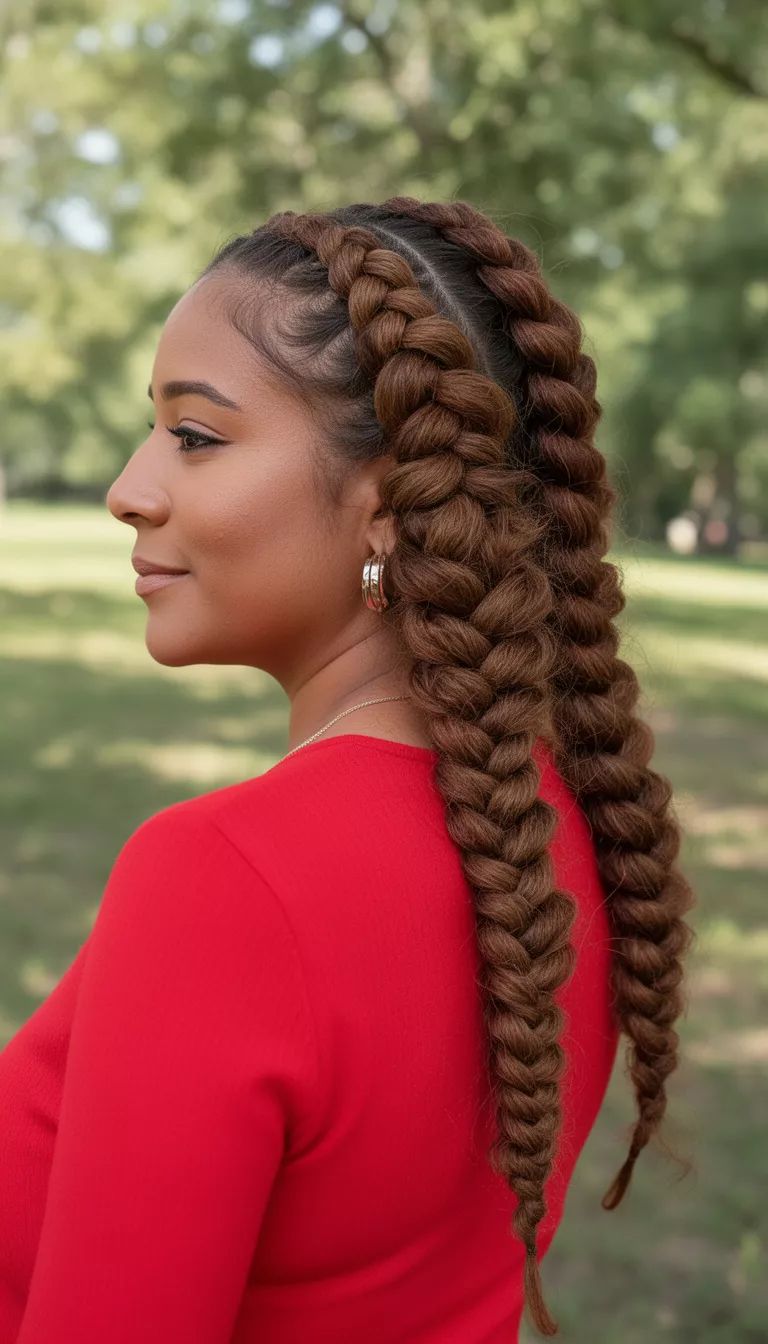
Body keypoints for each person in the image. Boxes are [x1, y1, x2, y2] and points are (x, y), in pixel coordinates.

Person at [0, 198, 694, 1342]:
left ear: (381, 508)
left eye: (197, 436)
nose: (129, 488)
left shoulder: (222, 883)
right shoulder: (559, 834)